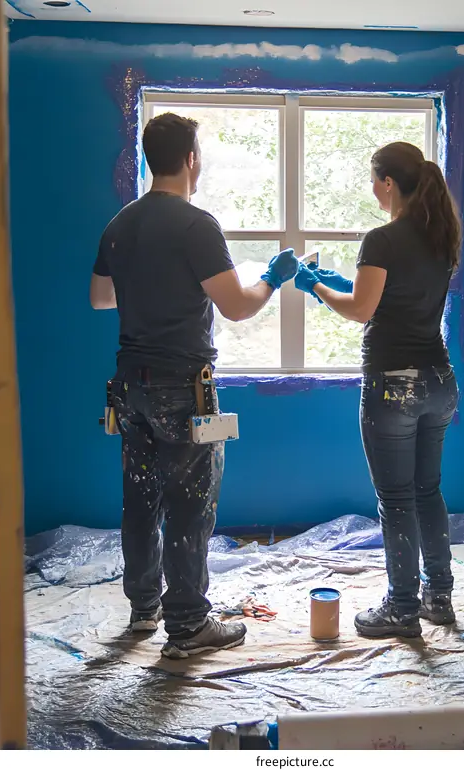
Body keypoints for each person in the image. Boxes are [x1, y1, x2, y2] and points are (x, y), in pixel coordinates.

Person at [90, 113, 298, 658]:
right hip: (183, 388)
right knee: (189, 504)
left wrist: (147, 287)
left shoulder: (120, 225)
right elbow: (237, 306)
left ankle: (143, 609)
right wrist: (271, 279)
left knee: (140, 498)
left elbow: (100, 298)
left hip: (130, 386)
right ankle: (186, 627)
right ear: (190, 159)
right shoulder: (195, 225)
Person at [295, 142, 461, 639]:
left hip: (394, 385)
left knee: (396, 498)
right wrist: (335, 282)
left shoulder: (382, 239)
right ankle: (439, 598)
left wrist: (316, 287)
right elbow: (390, 298)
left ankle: (402, 609)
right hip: (438, 380)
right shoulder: (440, 235)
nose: (372, 190)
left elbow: (361, 310)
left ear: (389, 183)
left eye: (373, 180)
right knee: (427, 490)